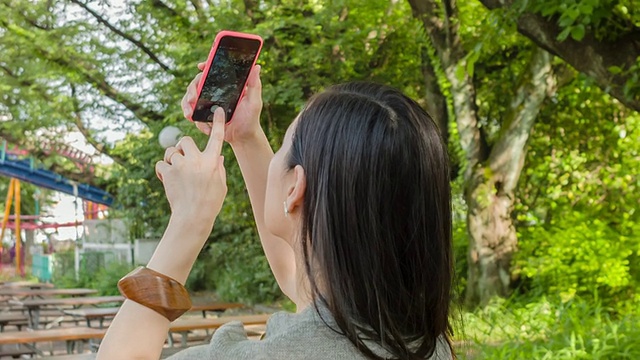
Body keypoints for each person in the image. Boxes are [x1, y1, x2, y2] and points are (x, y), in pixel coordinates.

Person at [96, 62, 455, 360]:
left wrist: (188, 223)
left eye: (284, 142)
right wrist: (246, 135)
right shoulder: (426, 344)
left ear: (295, 187)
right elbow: (302, 277)